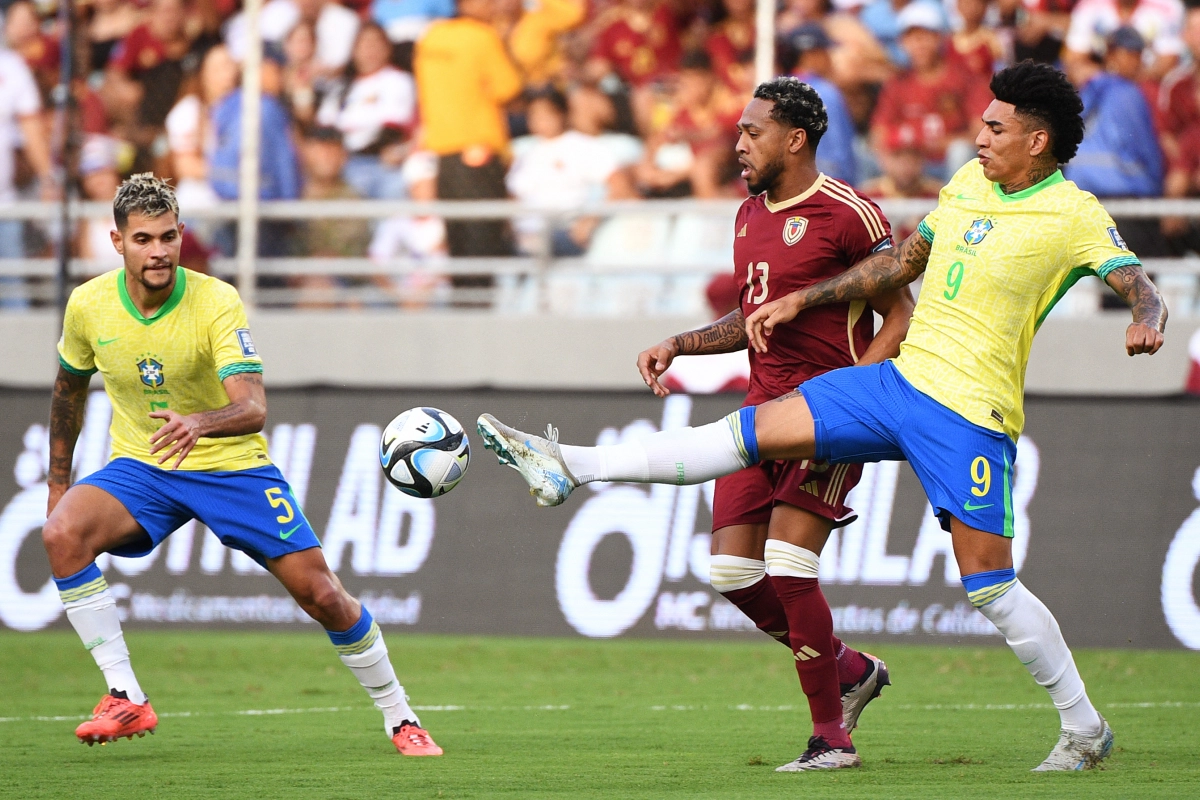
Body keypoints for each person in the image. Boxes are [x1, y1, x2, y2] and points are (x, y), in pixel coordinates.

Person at [477, 61, 1167, 772]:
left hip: (969, 413)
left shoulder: (1073, 213)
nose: (980, 136)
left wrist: (1147, 317)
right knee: (747, 435)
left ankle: (1084, 728)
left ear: (1037, 139)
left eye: (996, 127)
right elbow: (899, 267)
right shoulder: (965, 184)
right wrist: (801, 301)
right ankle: (573, 466)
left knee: (989, 585)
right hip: (894, 383)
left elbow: (1136, 282)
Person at [43, 173, 443, 757]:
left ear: (182, 236)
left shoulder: (215, 300)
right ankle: (125, 694)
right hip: (145, 465)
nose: (158, 251)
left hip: (230, 466)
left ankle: (400, 717)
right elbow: (67, 391)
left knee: (323, 595)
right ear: (117, 241)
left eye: (169, 237)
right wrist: (59, 482)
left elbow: (252, 407)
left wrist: (198, 422)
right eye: (144, 239)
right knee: (62, 533)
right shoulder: (89, 304)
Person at [632, 76, 913, 771]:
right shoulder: (747, 215)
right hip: (761, 411)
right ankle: (848, 668)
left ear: (795, 138)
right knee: (731, 571)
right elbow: (750, 320)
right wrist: (682, 342)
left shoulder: (850, 213)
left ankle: (831, 739)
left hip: (828, 412)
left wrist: (855, 396)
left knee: (789, 565)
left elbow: (901, 315)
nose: (738, 144)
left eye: (751, 132)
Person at [415, 0, 522, 265]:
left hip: (443, 153)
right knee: (484, 236)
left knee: (458, 235)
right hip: (479, 149)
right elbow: (508, 87)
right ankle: (484, 303)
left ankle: (464, 300)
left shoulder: (431, 36)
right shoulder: (482, 36)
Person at [870, 1, 992, 180]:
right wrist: (898, 154)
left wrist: (943, 143)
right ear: (902, 43)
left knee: (960, 151)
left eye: (925, 36)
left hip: (947, 164)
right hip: (910, 164)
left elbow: (980, 130)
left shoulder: (963, 77)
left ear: (940, 38)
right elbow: (879, 132)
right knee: (865, 152)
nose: (919, 44)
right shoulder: (898, 83)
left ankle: (954, 204)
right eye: (912, 38)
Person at [784, 23, 858, 185]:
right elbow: (841, 159)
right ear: (810, 55)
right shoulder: (825, 92)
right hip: (823, 187)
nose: (829, 58)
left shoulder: (773, 87)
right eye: (825, 52)